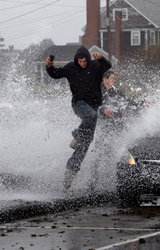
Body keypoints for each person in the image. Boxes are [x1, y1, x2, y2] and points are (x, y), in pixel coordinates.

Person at [45, 46, 111, 189]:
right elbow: (55, 74)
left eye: (85, 61)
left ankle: (70, 174)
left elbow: (108, 66)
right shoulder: (70, 67)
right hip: (79, 104)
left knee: (85, 145)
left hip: (93, 105)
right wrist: (49, 67)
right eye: (80, 61)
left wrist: (100, 58)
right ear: (76, 60)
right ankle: (76, 136)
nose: (82, 63)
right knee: (91, 117)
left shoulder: (94, 66)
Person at [90, 70, 148, 190]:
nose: (114, 81)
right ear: (104, 79)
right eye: (112, 78)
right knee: (99, 154)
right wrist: (103, 109)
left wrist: (142, 102)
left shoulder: (116, 92)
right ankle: (93, 183)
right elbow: (93, 105)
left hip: (117, 127)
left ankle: (112, 183)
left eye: (114, 79)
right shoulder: (97, 92)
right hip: (103, 128)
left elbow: (129, 103)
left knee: (115, 154)